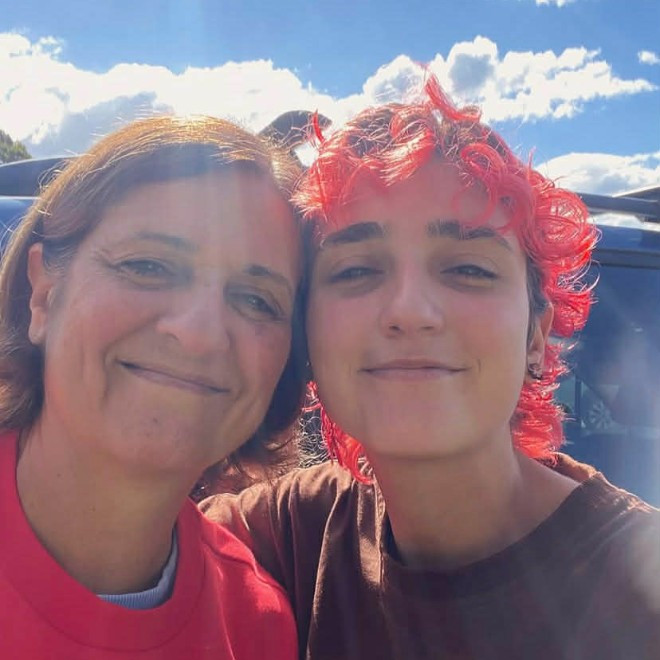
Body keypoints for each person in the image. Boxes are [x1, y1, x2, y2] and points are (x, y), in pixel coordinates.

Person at [201, 76, 660, 659]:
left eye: (468, 269)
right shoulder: (291, 534)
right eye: (355, 270)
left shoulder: (640, 593)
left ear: (537, 336)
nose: (409, 311)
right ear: (306, 334)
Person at [0, 115, 308, 658]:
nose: (199, 334)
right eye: (148, 266)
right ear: (44, 295)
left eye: (256, 300)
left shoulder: (258, 625)